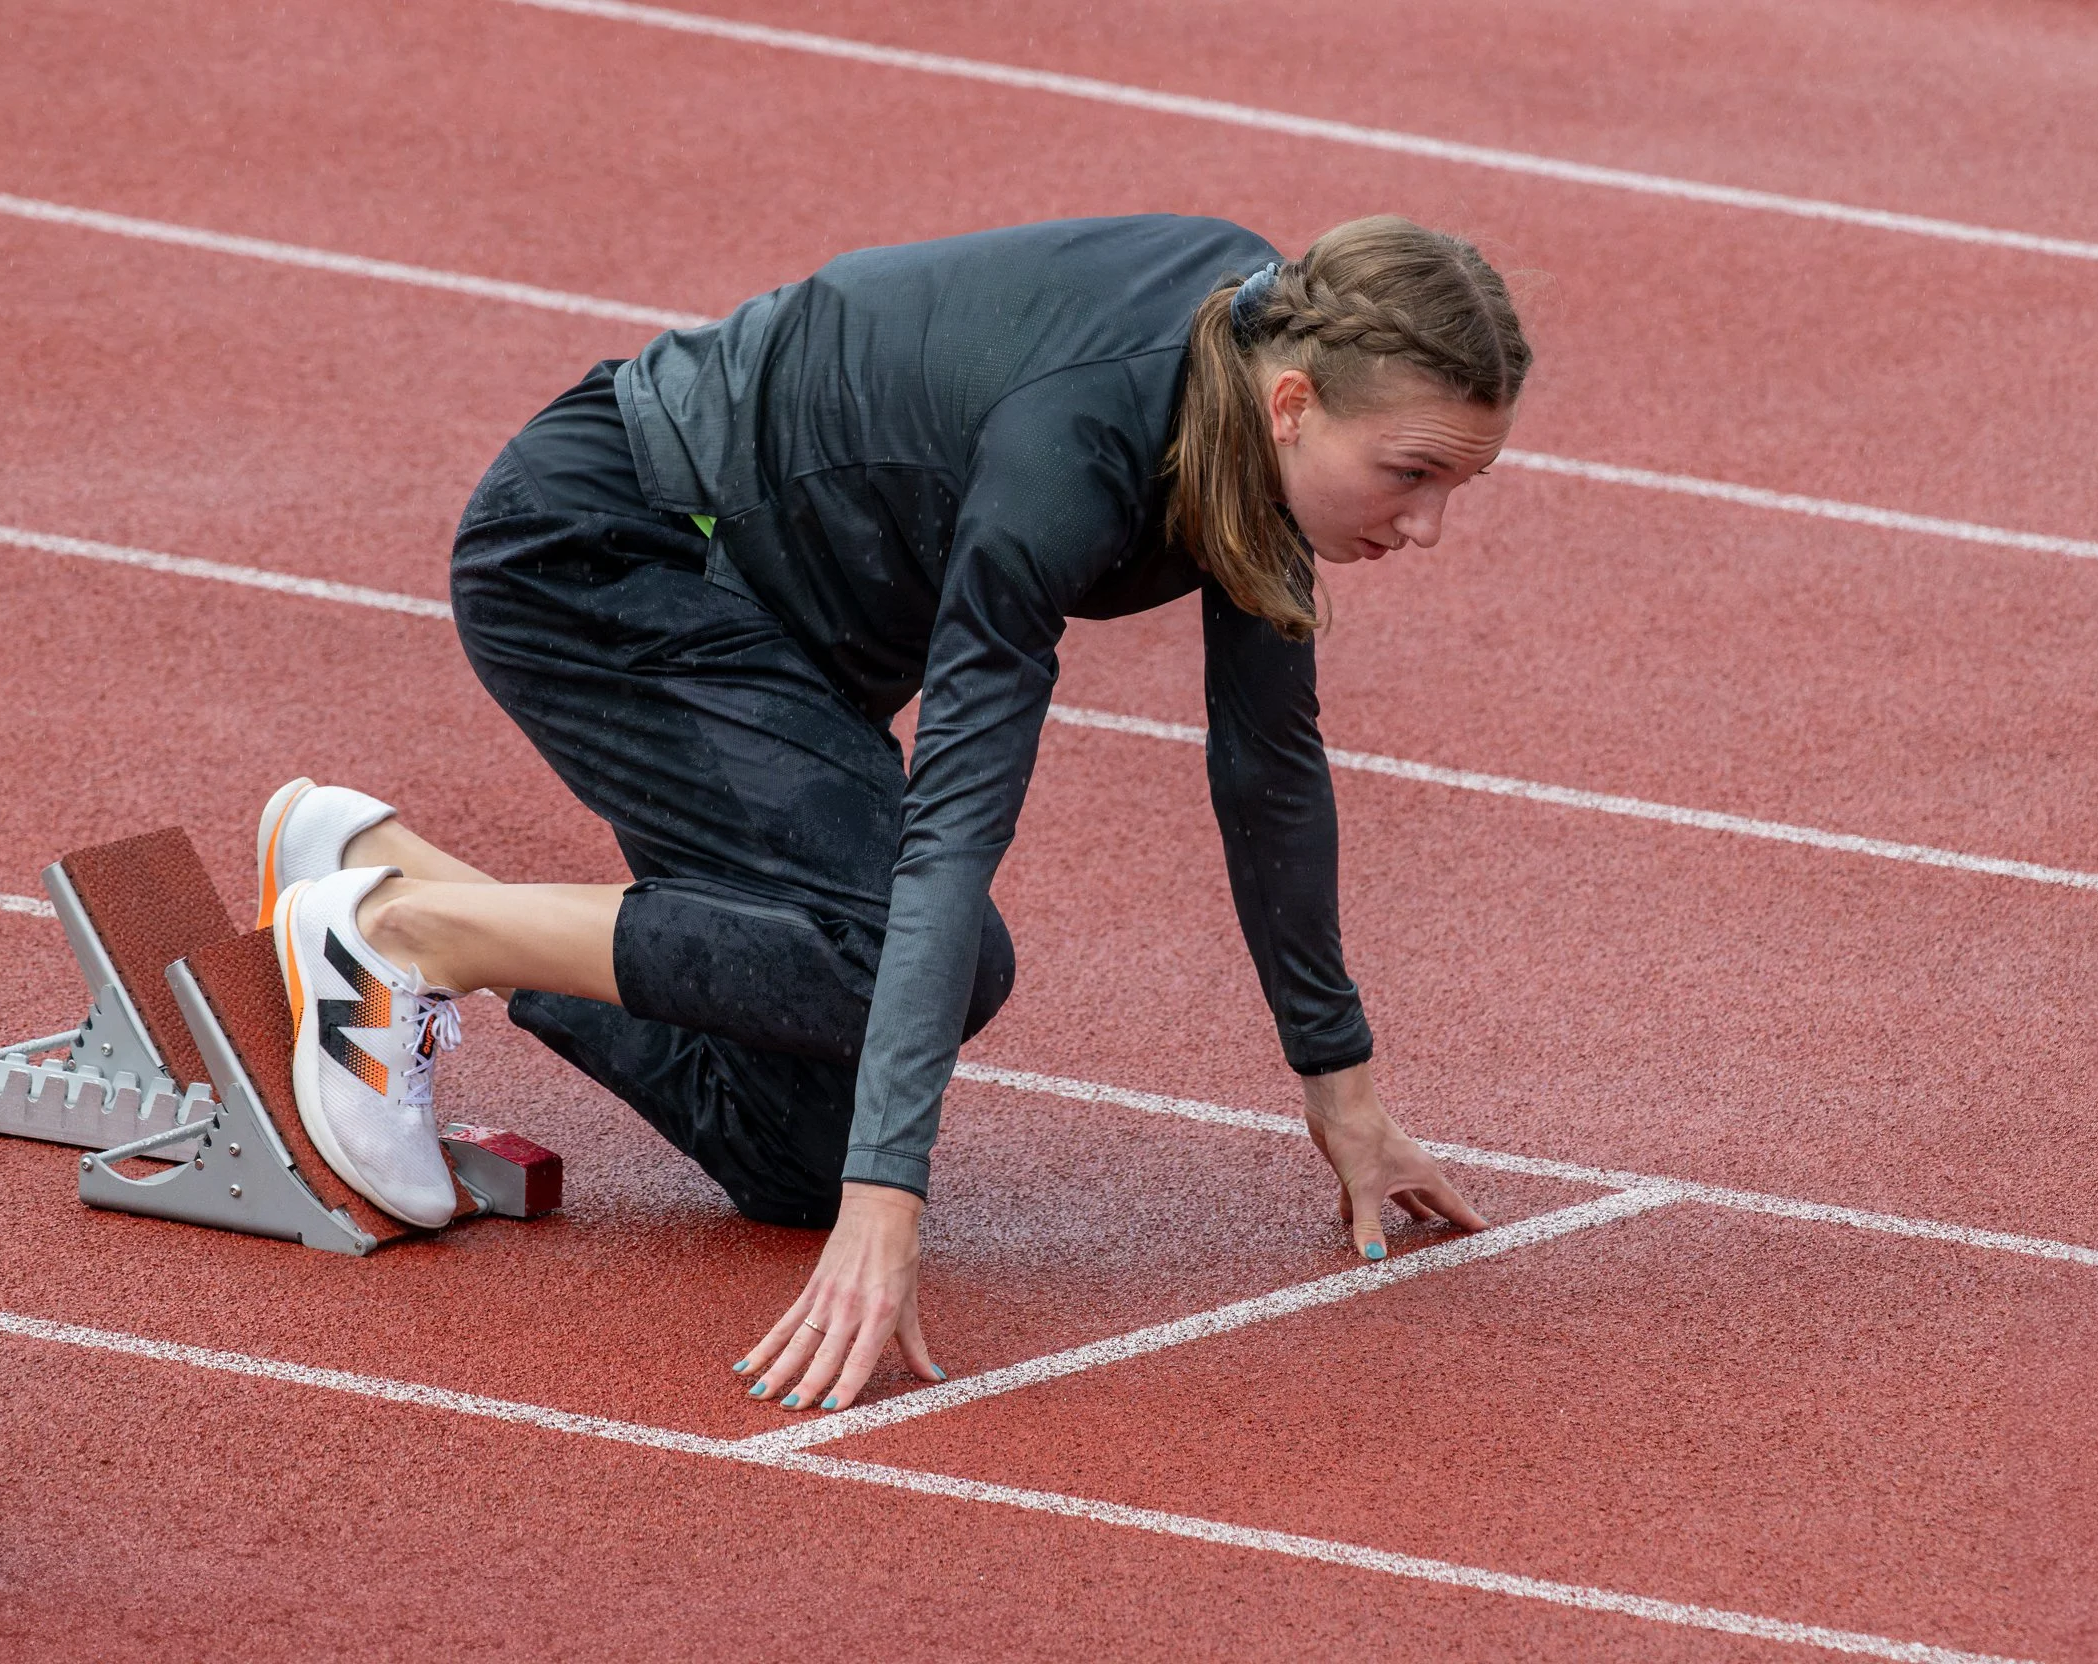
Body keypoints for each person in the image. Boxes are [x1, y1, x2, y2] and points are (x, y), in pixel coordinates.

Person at [258, 212, 1528, 1414]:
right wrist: (891, 1198)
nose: (1424, 525)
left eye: (1455, 486)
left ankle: (386, 868)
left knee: (790, 1154)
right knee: (925, 958)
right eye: (1409, 473)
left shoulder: (1260, 376)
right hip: (607, 556)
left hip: (773, 638)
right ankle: (406, 938)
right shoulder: (1075, 448)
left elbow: (1269, 774)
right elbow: (957, 826)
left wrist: (1340, 1089)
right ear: (1294, 404)